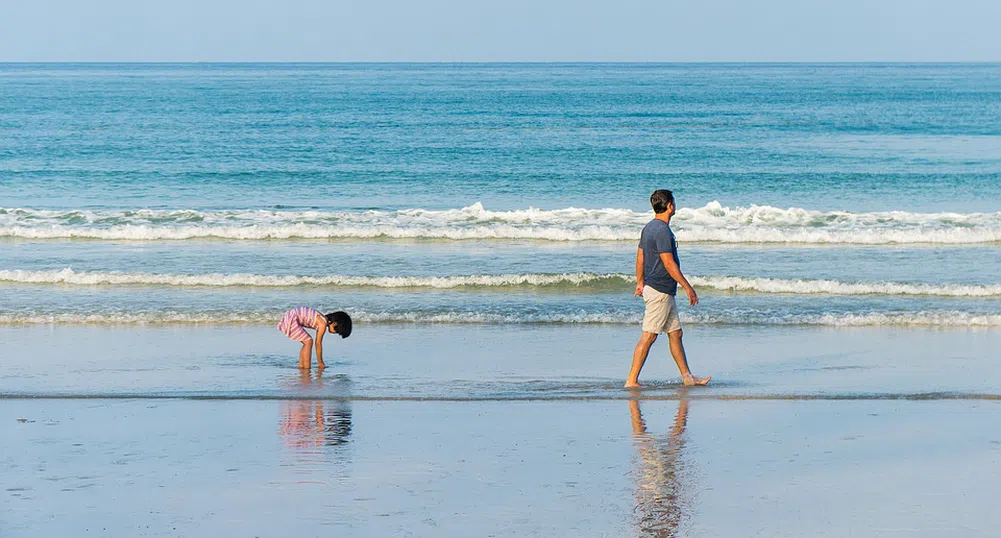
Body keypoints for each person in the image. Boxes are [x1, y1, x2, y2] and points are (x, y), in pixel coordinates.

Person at [625, 189, 710, 388]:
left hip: (662, 290)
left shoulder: (648, 227)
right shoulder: (662, 230)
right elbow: (668, 262)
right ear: (670, 205)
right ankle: (631, 380)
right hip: (660, 291)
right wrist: (688, 287)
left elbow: (640, 257)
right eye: (674, 202)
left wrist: (640, 282)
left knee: (675, 333)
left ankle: (688, 378)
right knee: (649, 336)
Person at [277, 307, 352, 370]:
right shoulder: (322, 324)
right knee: (308, 342)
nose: (335, 333)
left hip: (289, 316)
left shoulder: (321, 318)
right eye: (337, 331)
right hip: (291, 319)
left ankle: (301, 366)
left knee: (307, 342)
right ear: (335, 323)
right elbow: (318, 344)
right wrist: (320, 363)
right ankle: (306, 368)